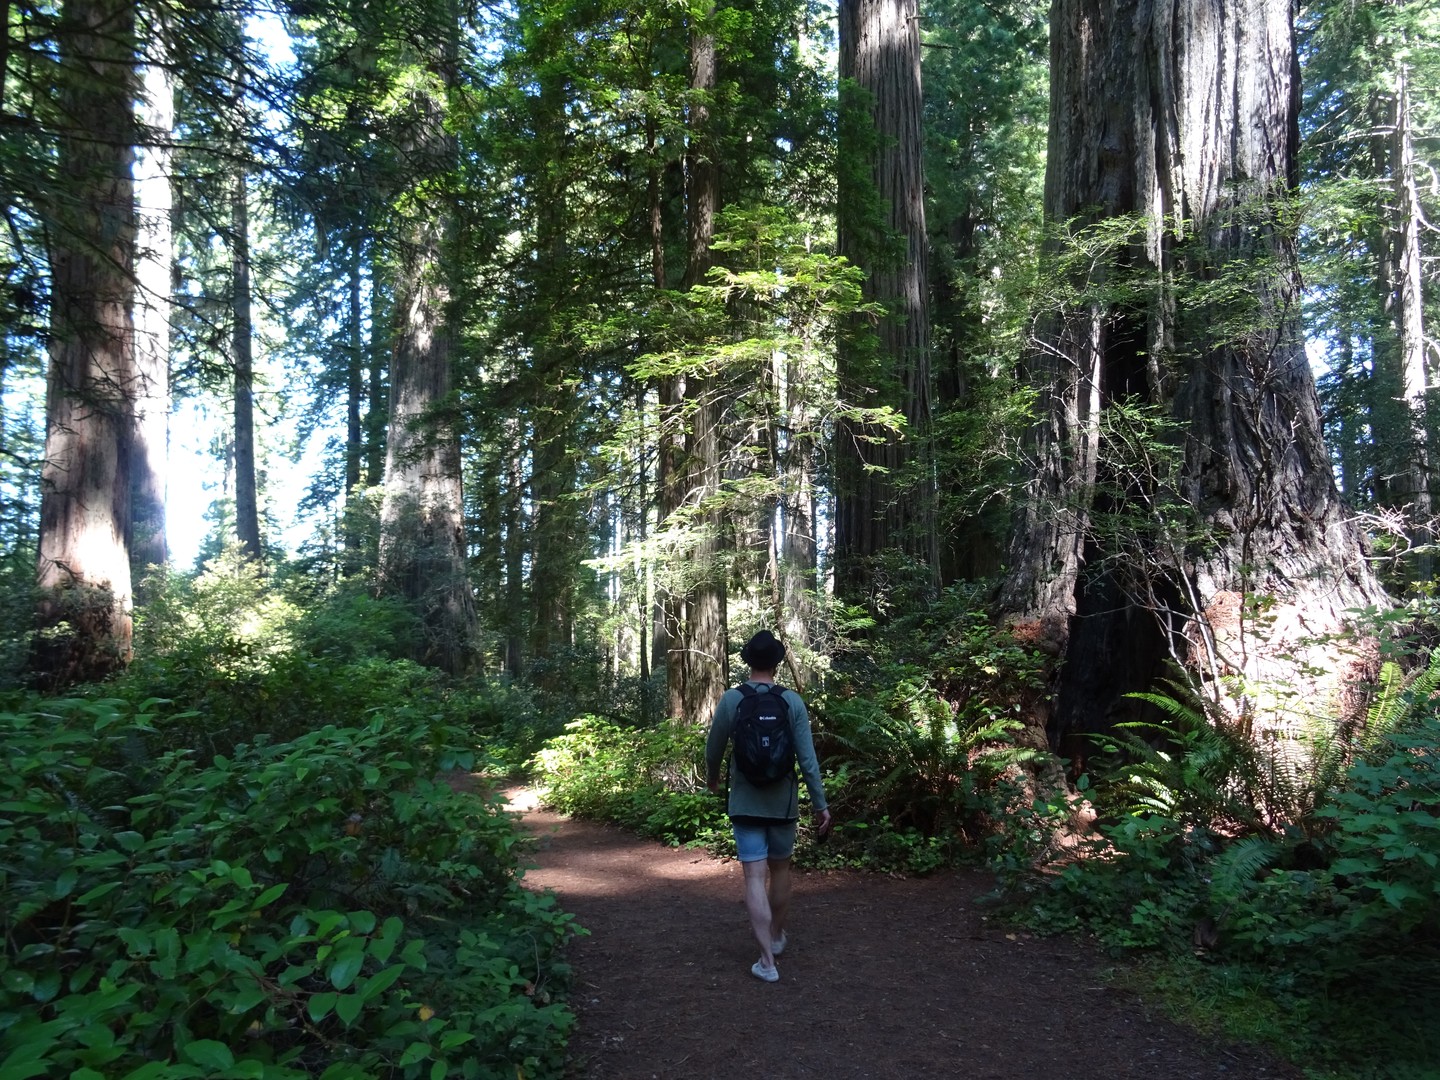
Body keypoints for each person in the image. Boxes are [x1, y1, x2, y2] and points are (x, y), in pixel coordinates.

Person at [705, 630, 833, 982]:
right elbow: (807, 760)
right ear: (777, 663)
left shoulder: (733, 699)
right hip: (783, 804)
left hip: (745, 803)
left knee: (753, 877)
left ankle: (766, 963)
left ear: (748, 662)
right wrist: (820, 804)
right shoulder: (792, 702)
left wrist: (712, 777)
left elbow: (713, 747)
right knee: (780, 871)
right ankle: (776, 937)